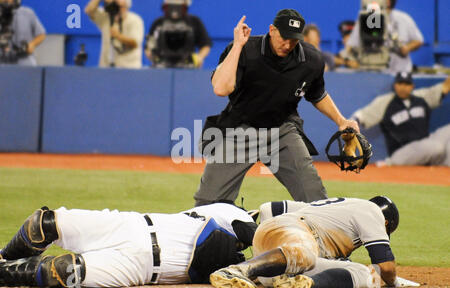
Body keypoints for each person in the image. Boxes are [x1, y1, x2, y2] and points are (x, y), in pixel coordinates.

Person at [193, 9, 359, 207]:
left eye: (294, 40)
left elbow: (317, 95)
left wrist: (341, 120)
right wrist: (238, 46)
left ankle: (319, 236)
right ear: (272, 30)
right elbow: (221, 88)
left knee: (314, 196)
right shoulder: (246, 49)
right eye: (284, 37)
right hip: (240, 128)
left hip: (282, 130)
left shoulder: (311, 60)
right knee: (208, 203)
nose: (288, 44)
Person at [0, 202, 256, 288]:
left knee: (64, 271)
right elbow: (254, 232)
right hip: (130, 227)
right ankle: (2, 257)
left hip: (138, 269)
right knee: (42, 224)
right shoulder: (230, 212)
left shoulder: (241, 265)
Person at [210, 196, 419, 288]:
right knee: (374, 274)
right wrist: (392, 282)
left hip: (274, 252)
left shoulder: (337, 207)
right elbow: (387, 267)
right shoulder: (372, 211)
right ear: (386, 224)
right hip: (295, 236)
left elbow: (267, 208)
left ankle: (303, 281)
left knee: (362, 272)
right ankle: (239, 270)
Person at [351, 73, 450, 167]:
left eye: (407, 84)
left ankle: (444, 167)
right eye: (400, 83)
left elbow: (445, 86)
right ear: (395, 85)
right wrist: (350, 124)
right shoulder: (385, 101)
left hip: (425, 144)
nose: (403, 87)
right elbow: (361, 115)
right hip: (402, 152)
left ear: (412, 86)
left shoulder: (422, 97)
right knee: (436, 147)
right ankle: (390, 163)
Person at [347, 0, 424, 73]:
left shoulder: (403, 18)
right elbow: (351, 45)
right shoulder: (366, 18)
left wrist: (406, 48)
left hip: (399, 73)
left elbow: (418, 40)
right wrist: (352, 59)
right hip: (370, 71)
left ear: (388, 2)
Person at [145, 0, 212, 68]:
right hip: (161, 66)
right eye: (170, 6)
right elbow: (149, 47)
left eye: (179, 7)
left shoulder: (194, 22)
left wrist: (199, 57)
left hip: (188, 65)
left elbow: (205, 45)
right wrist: (154, 57)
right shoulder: (158, 23)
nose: (174, 10)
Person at [85, 0, 144, 69]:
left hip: (129, 69)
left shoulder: (135, 20)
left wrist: (118, 36)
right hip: (106, 68)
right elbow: (89, 10)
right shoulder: (105, 18)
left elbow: (135, 43)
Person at [0, 0, 46, 66]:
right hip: (2, 61)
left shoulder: (27, 13)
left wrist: (32, 44)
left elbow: (41, 34)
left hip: (24, 60)